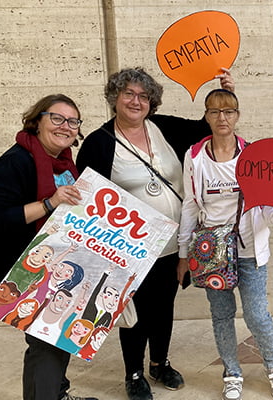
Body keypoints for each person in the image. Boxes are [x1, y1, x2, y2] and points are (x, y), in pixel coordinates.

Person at [77, 66, 234, 400]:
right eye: (129, 94)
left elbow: (209, 126)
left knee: (163, 306)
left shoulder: (163, 127)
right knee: (134, 312)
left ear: (152, 102)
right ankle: (133, 372)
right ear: (115, 98)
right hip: (129, 247)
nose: (136, 101)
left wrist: (226, 93)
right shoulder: (98, 143)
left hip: (173, 243)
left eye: (144, 96)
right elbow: (86, 200)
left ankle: (160, 363)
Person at [176, 88, 273, 400]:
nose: (222, 118)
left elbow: (267, 203)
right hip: (212, 253)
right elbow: (190, 206)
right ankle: (231, 372)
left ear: (237, 116)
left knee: (257, 315)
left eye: (228, 111)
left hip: (249, 249)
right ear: (206, 116)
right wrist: (183, 252)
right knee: (221, 314)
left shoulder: (252, 155)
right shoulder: (194, 157)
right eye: (215, 111)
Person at [0, 93, 94, 400]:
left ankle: (58, 393)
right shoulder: (11, 164)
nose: (65, 126)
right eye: (57, 118)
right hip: (26, 271)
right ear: (37, 121)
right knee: (46, 345)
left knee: (57, 340)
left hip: (60, 267)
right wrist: (48, 203)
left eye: (73, 121)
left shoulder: (64, 164)